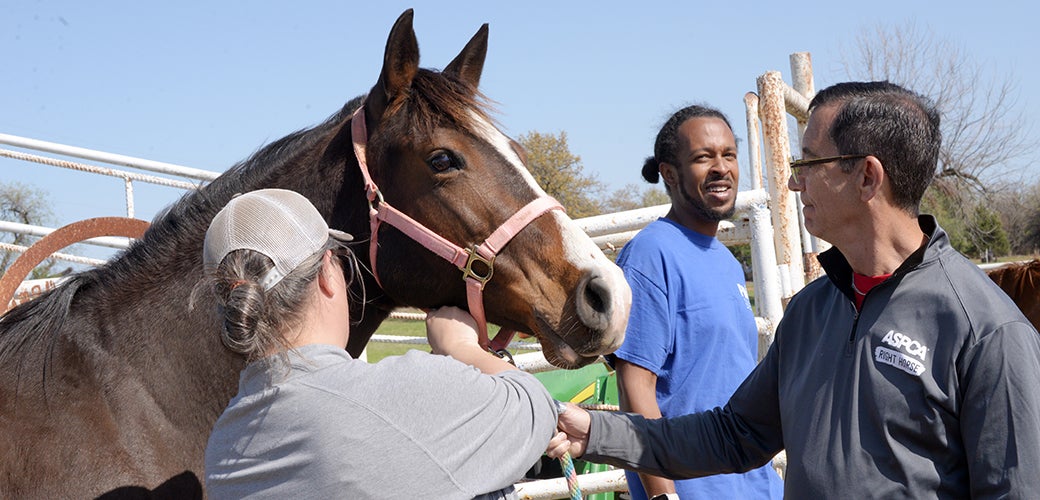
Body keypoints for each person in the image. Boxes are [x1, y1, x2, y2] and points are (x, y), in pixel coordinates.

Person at [546, 81, 1040, 498]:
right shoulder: (811, 312)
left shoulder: (985, 329)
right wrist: (596, 432)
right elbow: (735, 434)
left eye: (808, 164)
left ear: (866, 176)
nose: (793, 183)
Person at [198, 188, 558, 499]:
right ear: (326, 273)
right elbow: (533, 406)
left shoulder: (223, 445)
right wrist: (461, 348)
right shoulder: (406, 392)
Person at [609, 105, 782, 499]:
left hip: (755, 484)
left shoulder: (725, 261)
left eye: (729, 154)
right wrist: (662, 495)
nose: (721, 168)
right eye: (704, 157)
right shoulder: (651, 254)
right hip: (694, 489)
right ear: (670, 174)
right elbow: (634, 385)